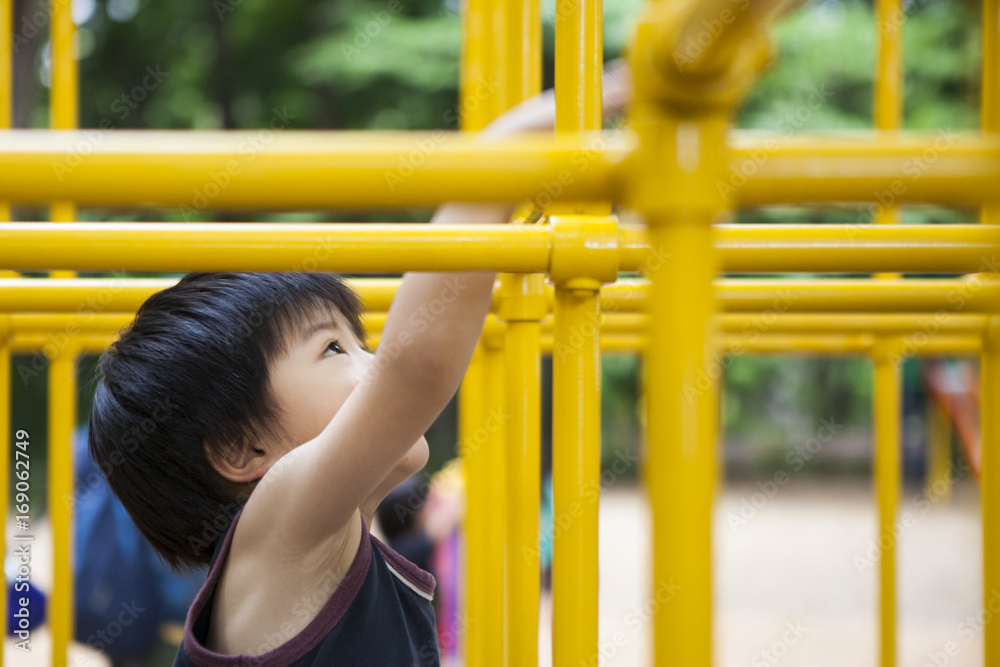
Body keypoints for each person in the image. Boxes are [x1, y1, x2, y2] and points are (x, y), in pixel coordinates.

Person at [87, 65, 631, 666]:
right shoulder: (279, 530)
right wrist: (508, 153)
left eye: (363, 343)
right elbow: (414, 368)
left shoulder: (325, 547)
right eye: (334, 350)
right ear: (241, 449)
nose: (374, 366)